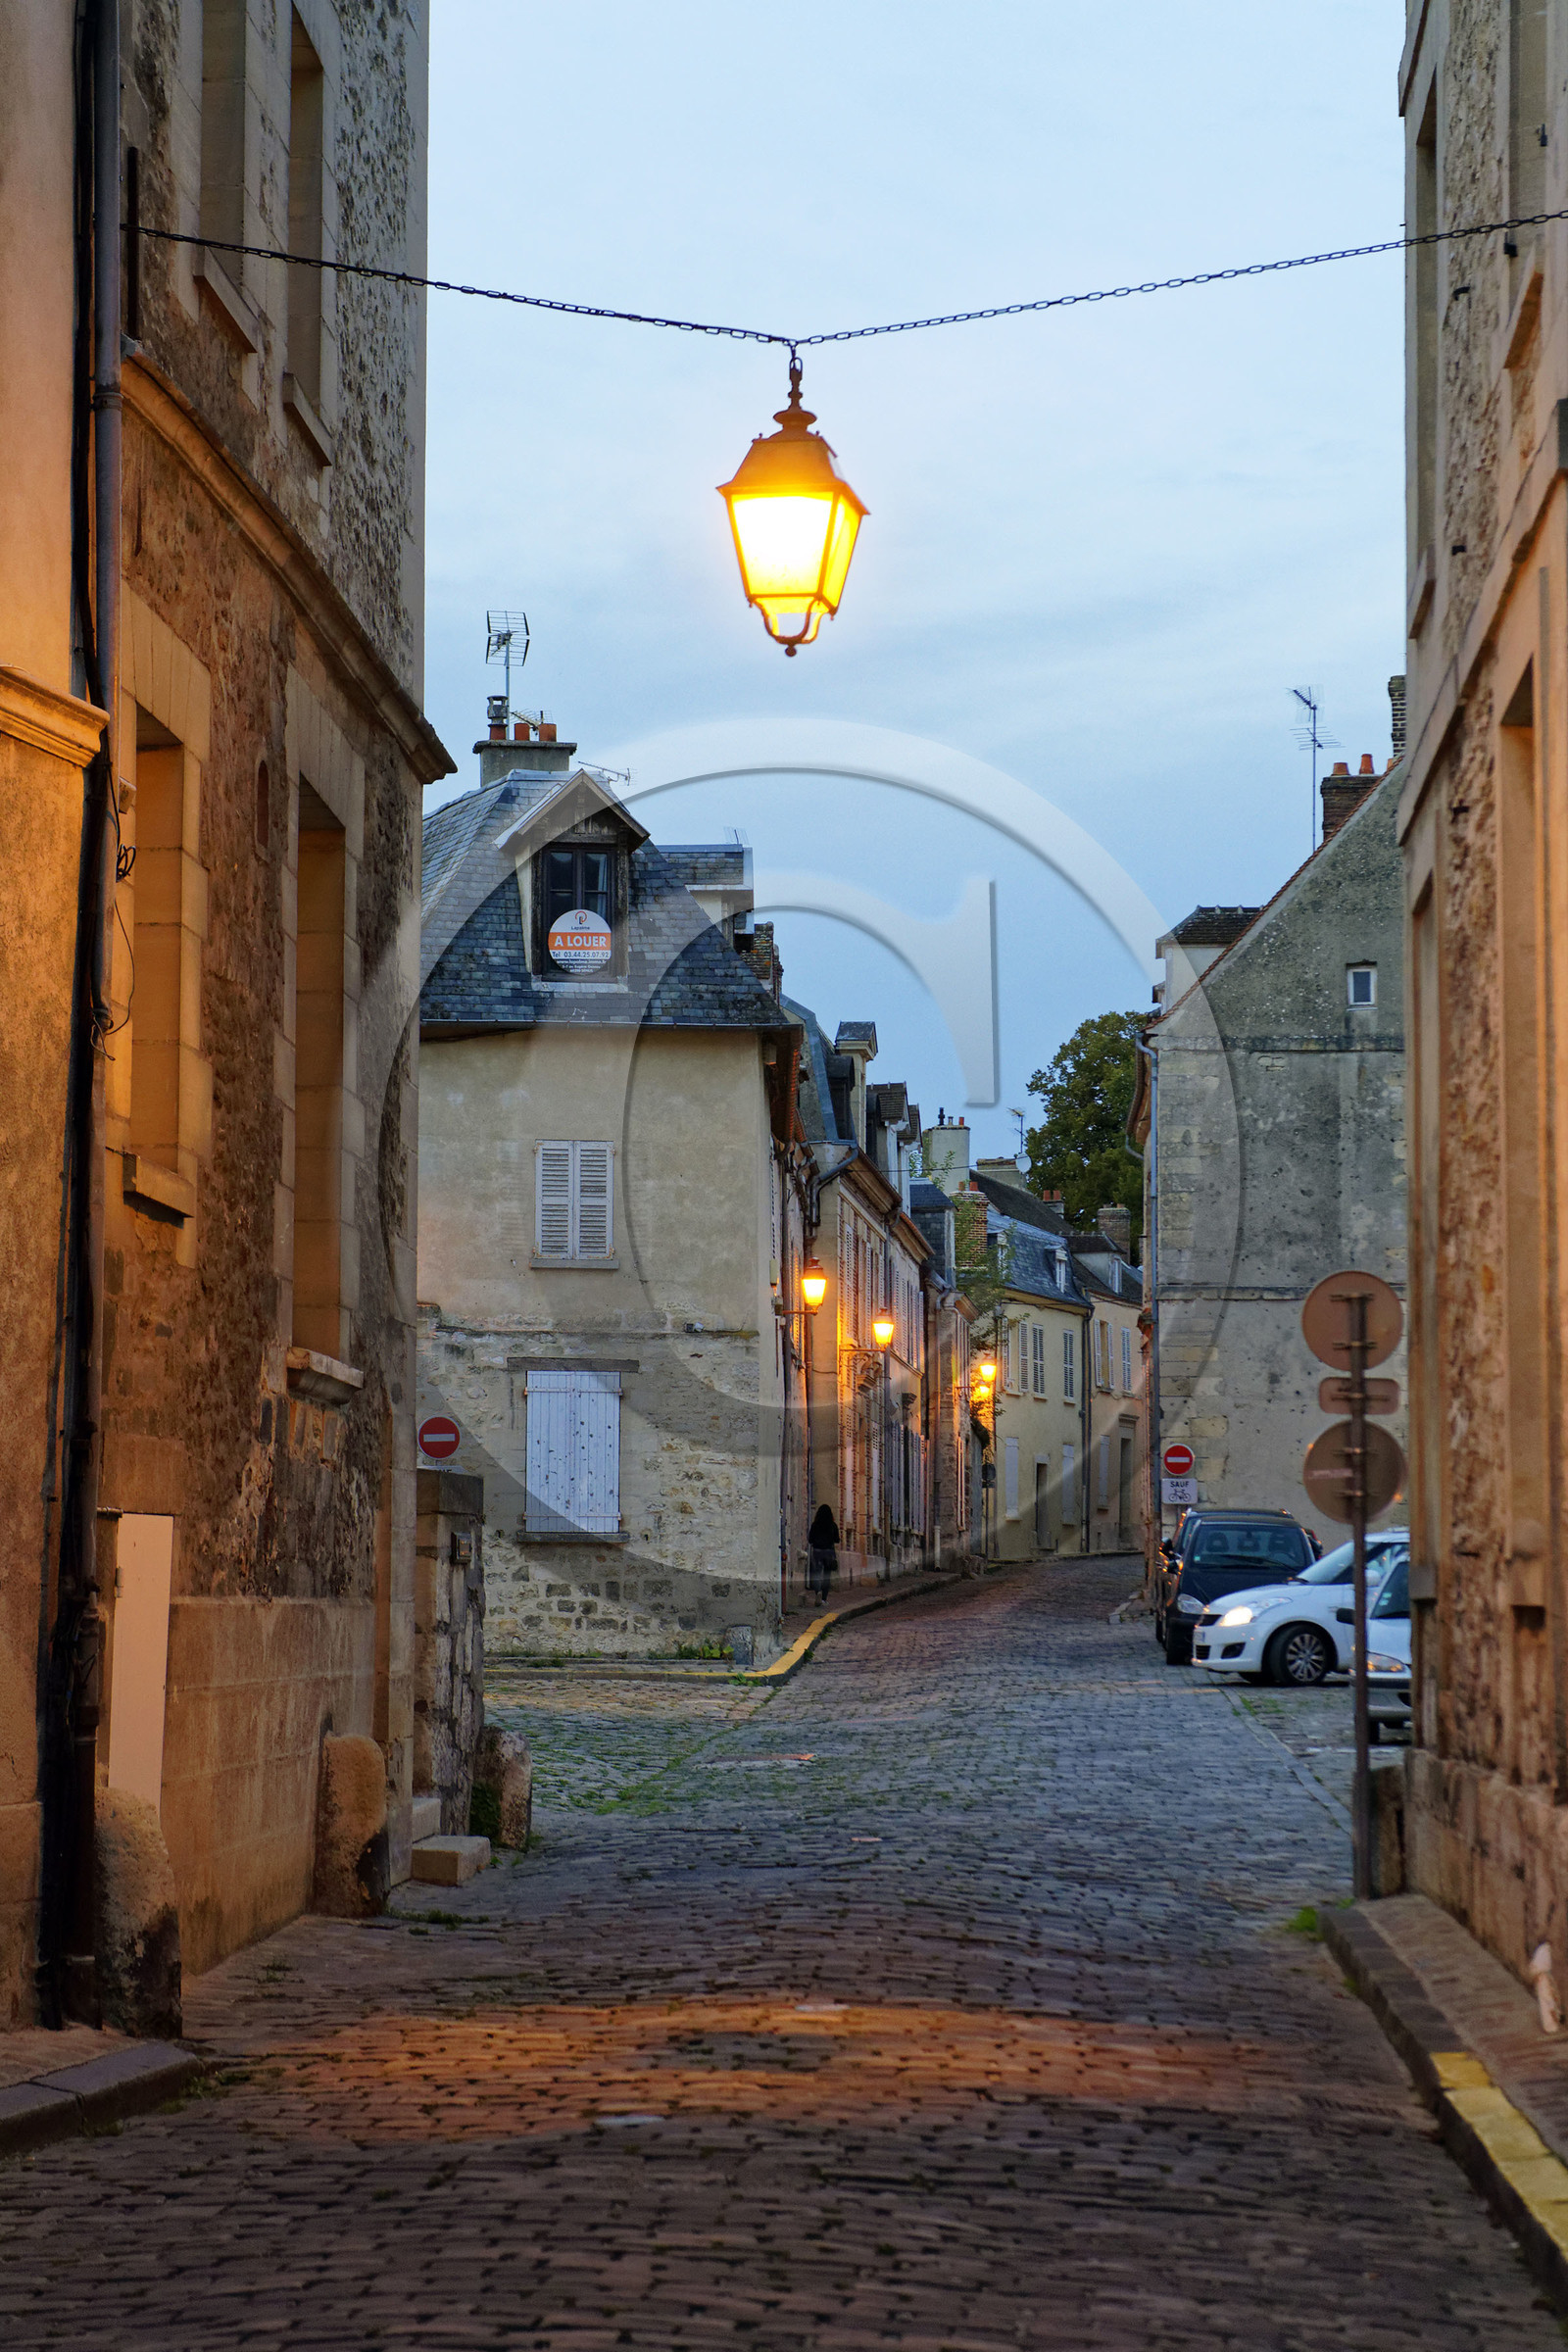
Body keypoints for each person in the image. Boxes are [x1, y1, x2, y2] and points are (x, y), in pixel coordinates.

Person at [808, 1502, 839, 1600]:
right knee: (826, 1576)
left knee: (816, 1573)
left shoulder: (815, 1525)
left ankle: (818, 1592)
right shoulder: (833, 1525)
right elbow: (837, 1539)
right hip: (829, 1552)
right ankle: (824, 1599)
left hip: (817, 1551)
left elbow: (810, 1539)